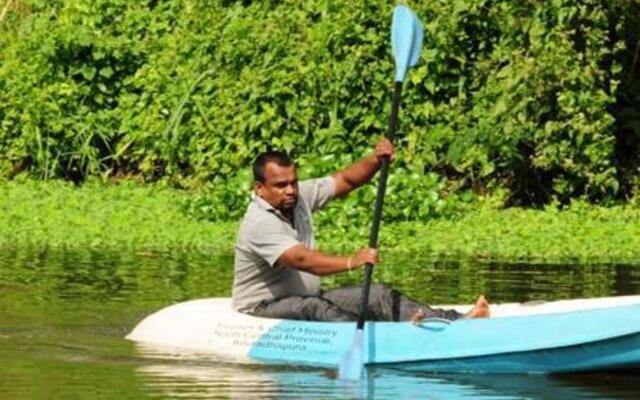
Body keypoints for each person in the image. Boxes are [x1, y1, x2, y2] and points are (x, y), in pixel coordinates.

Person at [231, 138, 490, 322]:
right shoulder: (259, 223)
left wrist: (376, 161)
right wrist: (351, 261)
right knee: (315, 307)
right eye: (280, 185)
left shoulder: (299, 196)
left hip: (305, 296)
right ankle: (367, 338)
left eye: (293, 182)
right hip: (262, 309)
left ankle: (454, 321)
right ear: (259, 188)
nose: (290, 190)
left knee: (377, 295)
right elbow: (302, 260)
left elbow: (345, 180)